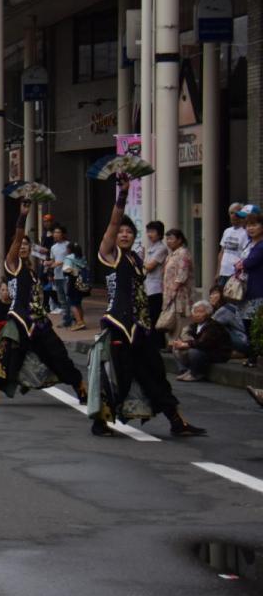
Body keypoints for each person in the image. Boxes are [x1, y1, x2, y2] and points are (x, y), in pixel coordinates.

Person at [89, 174, 205, 437]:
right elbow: (113, 222)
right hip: (119, 326)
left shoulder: (134, 259)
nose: (125, 234)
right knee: (120, 376)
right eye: (121, 231)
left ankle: (177, 421)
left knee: (155, 375)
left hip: (140, 327)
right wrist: (122, 195)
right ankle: (100, 422)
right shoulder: (109, 255)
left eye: (130, 231)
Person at [0, 201, 86, 406]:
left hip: (39, 321)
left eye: (26, 245)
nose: (22, 247)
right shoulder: (12, 265)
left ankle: (80, 389)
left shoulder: (33, 272)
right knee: (11, 359)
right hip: (18, 322)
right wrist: (22, 217)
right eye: (19, 244)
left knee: (58, 355)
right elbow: (16, 242)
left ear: (30, 249)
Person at [171, 300, 232, 381]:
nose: (197, 315)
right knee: (176, 348)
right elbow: (191, 339)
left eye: (201, 312)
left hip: (216, 353)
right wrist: (182, 343)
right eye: (195, 312)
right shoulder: (194, 326)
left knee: (193, 352)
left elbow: (204, 343)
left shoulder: (213, 325)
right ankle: (184, 371)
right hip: (202, 350)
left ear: (208, 313)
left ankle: (196, 374)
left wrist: (186, 344)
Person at [233, 205, 263, 368]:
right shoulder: (249, 244)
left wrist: (241, 264)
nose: (250, 229)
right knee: (246, 323)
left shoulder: (261, 246)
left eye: (255, 225)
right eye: (248, 225)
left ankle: (254, 356)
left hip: (257, 290)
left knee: (253, 324)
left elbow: (249, 263)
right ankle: (252, 355)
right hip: (245, 290)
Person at [159, 228, 193, 341]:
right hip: (169, 292)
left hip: (179, 293)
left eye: (171, 238)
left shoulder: (183, 253)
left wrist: (173, 291)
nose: (168, 241)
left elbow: (181, 275)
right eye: (167, 239)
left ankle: (177, 342)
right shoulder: (171, 255)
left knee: (178, 317)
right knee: (171, 317)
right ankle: (171, 342)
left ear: (179, 240)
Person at [208, 284, 253, 358]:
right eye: (211, 294)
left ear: (223, 295)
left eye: (215, 293)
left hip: (244, 342)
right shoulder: (229, 306)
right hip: (246, 342)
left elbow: (208, 326)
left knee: (215, 329)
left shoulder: (225, 309)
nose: (211, 296)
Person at [142, 220, 168, 346]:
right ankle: (153, 342)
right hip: (148, 286)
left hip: (156, 288)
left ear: (159, 233)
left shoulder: (161, 248)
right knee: (150, 316)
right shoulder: (150, 247)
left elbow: (149, 266)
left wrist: (141, 261)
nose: (149, 234)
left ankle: (159, 343)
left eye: (152, 231)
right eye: (148, 231)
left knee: (155, 316)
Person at [217, 203, 249, 288]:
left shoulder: (246, 232)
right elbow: (221, 252)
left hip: (235, 273)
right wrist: (218, 271)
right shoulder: (227, 231)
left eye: (236, 213)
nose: (233, 216)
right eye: (231, 213)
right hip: (223, 272)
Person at [47, 225, 72, 325]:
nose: (56, 234)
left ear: (63, 234)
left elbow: (72, 258)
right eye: (54, 232)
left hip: (67, 275)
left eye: (58, 232)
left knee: (68, 297)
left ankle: (70, 318)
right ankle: (66, 319)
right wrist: (48, 264)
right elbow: (53, 260)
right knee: (61, 299)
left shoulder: (68, 245)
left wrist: (60, 263)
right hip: (57, 275)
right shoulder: (53, 247)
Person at [63, 243, 90, 331]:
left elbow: (66, 269)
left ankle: (79, 322)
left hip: (73, 283)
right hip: (82, 283)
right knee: (78, 303)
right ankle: (81, 321)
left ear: (70, 250)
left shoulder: (69, 258)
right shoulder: (82, 258)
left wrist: (72, 271)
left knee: (72, 304)